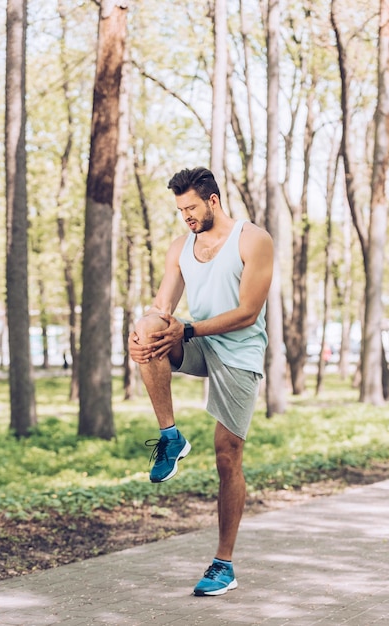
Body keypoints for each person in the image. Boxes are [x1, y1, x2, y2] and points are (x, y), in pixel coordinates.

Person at [129, 167, 273, 596]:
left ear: (212, 201)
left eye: (191, 208)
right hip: (193, 337)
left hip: (238, 349)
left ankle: (223, 564)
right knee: (147, 326)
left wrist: (187, 330)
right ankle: (170, 437)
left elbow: (248, 311)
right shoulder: (181, 247)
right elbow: (163, 305)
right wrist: (144, 333)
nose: (186, 217)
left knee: (226, 455)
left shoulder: (253, 240)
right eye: (180, 210)